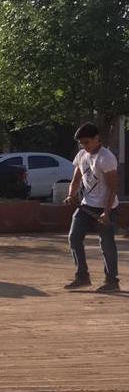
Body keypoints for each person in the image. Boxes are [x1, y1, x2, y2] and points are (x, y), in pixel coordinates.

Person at [64, 122, 119, 292]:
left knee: (107, 244)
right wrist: (71, 195)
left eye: (87, 142)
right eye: (81, 143)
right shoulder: (82, 155)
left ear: (97, 138)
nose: (84, 146)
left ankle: (112, 281)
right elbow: (76, 180)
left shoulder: (106, 158)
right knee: (74, 238)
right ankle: (82, 277)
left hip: (106, 207)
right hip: (86, 206)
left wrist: (106, 213)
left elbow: (113, 188)